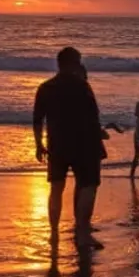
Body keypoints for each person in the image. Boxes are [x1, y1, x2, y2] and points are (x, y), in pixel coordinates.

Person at [33, 47, 106, 245]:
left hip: (57, 144)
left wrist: (39, 145)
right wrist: (99, 138)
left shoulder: (45, 87)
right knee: (88, 185)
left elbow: (38, 120)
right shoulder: (82, 86)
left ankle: (54, 233)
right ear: (74, 63)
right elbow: (93, 117)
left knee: (56, 188)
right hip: (84, 143)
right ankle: (82, 232)